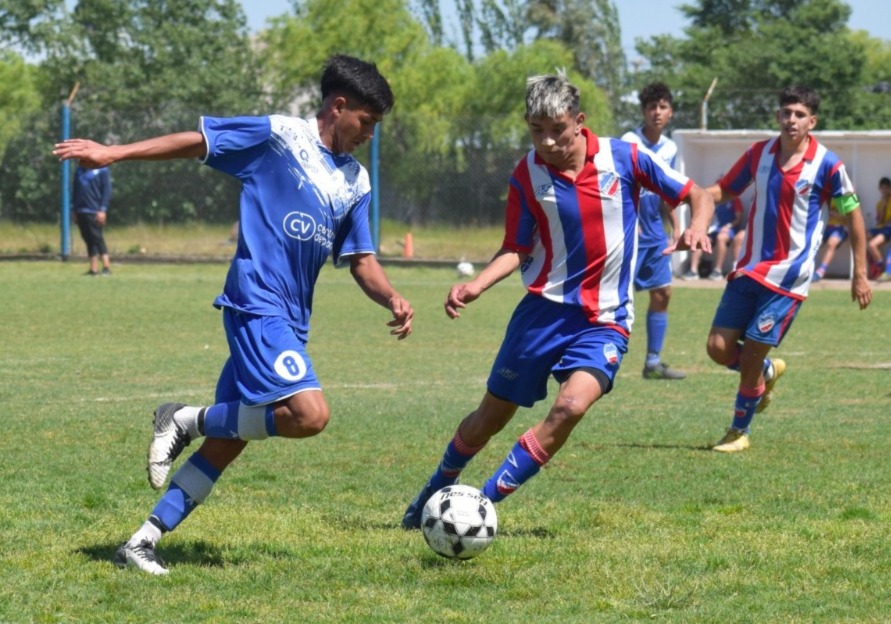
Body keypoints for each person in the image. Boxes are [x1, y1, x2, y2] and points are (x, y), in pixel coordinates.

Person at [54, 55, 414, 574]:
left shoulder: (355, 181)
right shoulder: (279, 137)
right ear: (339, 106)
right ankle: (182, 417)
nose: (370, 136)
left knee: (230, 440)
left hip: (291, 320)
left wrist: (392, 297)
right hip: (255, 302)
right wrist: (115, 153)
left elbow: (361, 260)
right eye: (367, 123)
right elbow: (198, 140)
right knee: (310, 415)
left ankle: (140, 543)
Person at [401, 73, 714, 529]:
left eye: (557, 129)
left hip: (605, 319)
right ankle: (434, 488)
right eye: (536, 130)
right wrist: (476, 285)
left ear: (579, 121)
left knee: (570, 407)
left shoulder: (624, 158)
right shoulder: (526, 174)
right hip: (542, 314)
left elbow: (696, 195)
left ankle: (478, 510)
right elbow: (515, 247)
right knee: (490, 417)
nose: (547, 141)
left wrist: (698, 225)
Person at [704, 86, 872, 453]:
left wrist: (860, 273)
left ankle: (738, 432)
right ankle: (764, 375)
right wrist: (688, 197)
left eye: (799, 114)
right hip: (748, 269)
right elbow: (724, 190)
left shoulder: (827, 165)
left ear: (812, 121)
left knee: (750, 355)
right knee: (718, 347)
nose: (791, 119)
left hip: (788, 278)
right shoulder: (759, 154)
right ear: (778, 116)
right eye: (786, 112)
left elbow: (855, 216)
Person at [621, 83, 687, 380]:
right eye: (651, 107)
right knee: (614, 299)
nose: (656, 112)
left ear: (670, 112)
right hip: (627, 235)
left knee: (662, 293)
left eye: (662, 107)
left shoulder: (670, 148)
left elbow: (668, 191)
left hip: (654, 235)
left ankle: (652, 362)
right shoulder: (628, 141)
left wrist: (678, 229)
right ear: (643, 111)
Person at [687, 192, 745, 280]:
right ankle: (693, 270)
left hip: (731, 229)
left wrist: (728, 226)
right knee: (699, 238)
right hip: (716, 229)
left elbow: (738, 218)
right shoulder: (715, 202)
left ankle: (717, 271)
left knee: (721, 238)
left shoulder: (735, 200)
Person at [72, 164, 113, 275]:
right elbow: (75, 190)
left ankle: (106, 267)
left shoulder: (101, 170)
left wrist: (102, 209)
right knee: (88, 239)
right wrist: (74, 209)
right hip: (81, 210)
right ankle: (93, 269)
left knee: (97, 238)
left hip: (95, 210)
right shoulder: (79, 170)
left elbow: (106, 190)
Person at [812, 207, 848, 282]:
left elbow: (850, 219)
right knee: (815, 243)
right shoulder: (827, 197)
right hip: (825, 226)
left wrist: (836, 215)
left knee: (831, 243)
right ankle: (808, 270)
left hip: (839, 227)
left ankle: (821, 271)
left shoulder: (848, 197)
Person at [867, 176, 891, 281]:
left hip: (888, 229)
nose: (885, 190)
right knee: (862, 236)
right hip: (881, 227)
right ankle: (873, 265)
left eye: (887, 188)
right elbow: (880, 221)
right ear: (879, 189)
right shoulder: (879, 204)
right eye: (883, 188)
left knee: (872, 245)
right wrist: (884, 206)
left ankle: (881, 268)